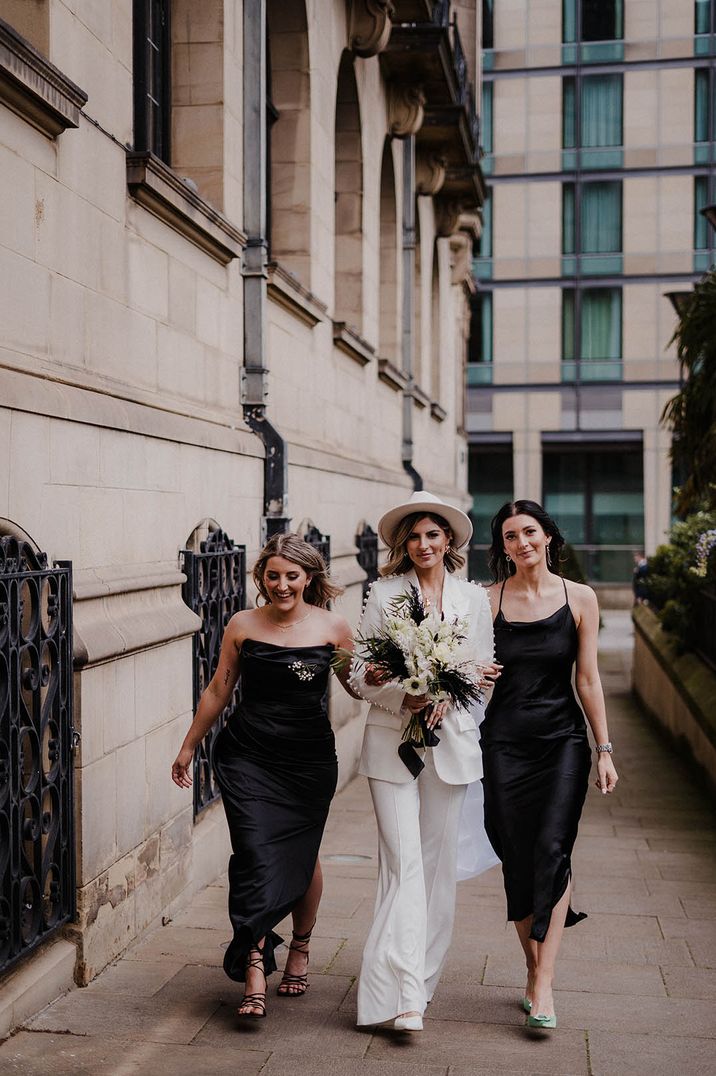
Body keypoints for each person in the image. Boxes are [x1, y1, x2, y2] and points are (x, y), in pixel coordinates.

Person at [171, 532, 359, 1019]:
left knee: (303, 857)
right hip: (247, 755)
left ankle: (299, 947)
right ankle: (254, 962)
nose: (281, 584)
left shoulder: (334, 627)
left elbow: (358, 688)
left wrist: (414, 682)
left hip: (308, 761)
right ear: (261, 578)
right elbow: (219, 688)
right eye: (272, 575)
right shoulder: (241, 624)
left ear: (308, 577)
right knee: (254, 853)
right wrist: (189, 746)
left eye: (291, 576)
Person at [351, 490, 496, 1033]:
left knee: (436, 874)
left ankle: (422, 979)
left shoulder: (474, 600)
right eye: (412, 536)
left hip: (451, 745)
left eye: (432, 534)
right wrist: (403, 696)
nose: (422, 544)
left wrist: (451, 694)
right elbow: (360, 675)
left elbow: (480, 674)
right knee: (403, 863)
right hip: (392, 741)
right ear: (401, 545)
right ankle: (400, 994)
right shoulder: (383, 595)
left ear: (450, 541)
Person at [480, 500, 619, 1030]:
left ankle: (543, 983)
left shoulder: (579, 597)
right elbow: (468, 677)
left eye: (530, 532)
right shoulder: (487, 600)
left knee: (552, 847)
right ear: (503, 548)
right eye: (510, 536)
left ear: (548, 537)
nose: (522, 543)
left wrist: (603, 749)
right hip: (503, 743)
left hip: (562, 741)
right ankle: (534, 967)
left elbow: (588, 679)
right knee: (515, 852)